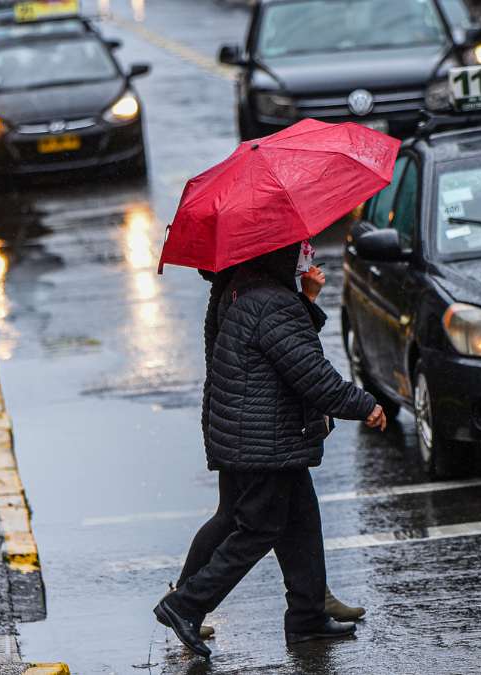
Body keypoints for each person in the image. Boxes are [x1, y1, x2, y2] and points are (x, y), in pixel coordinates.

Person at [155, 241, 387, 659]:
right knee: (257, 528)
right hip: (264, 438)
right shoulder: (271, 301)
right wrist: (364, 404)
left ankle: (307, 616)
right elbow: (309, 371)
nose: (307, 256)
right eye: (299, 249)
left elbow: (281, 347)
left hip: (248, 429)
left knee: (301, 519)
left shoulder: (240, 286)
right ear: (276, 253)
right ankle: (185, 604)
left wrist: (304, 300)